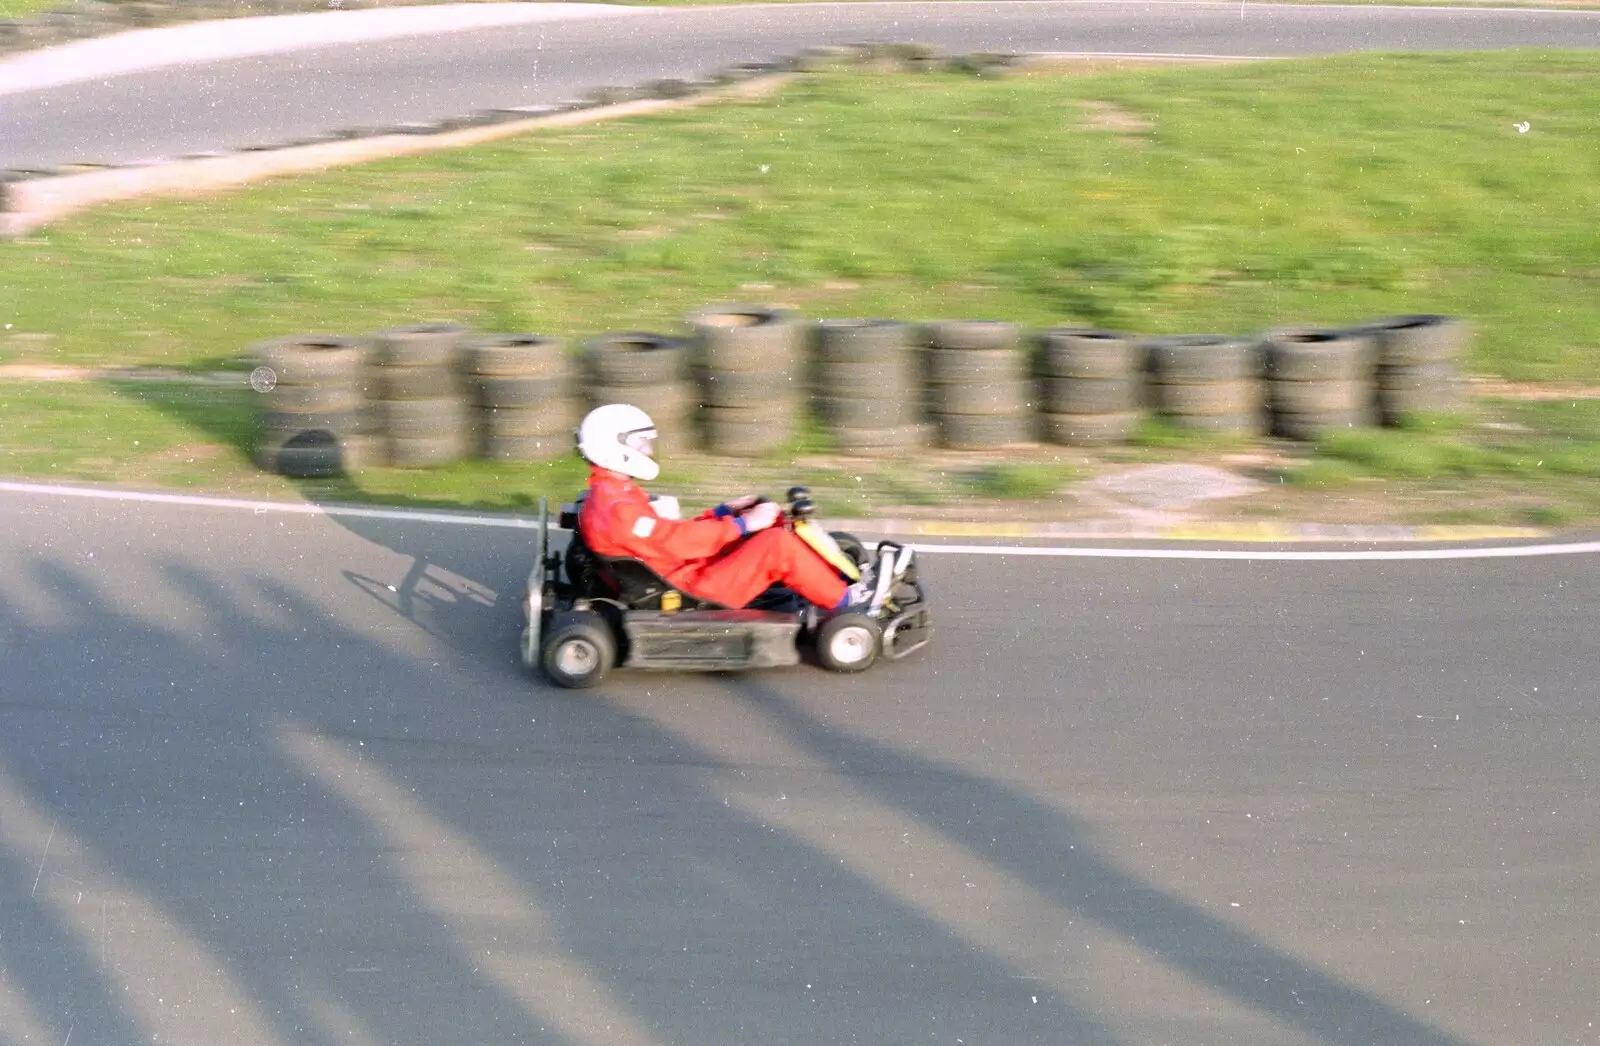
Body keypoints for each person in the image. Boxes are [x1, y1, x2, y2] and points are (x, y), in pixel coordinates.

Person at [574, 403, 877, 612]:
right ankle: (846, 601)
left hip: (677, 569)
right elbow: (675, 541)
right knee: (776, 545)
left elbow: (667, 534)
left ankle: (828, 576)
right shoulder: (618, 510)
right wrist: (742, 525)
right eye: (641, 444)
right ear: (615, 448)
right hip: (687, 586)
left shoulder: (612, 493)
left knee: (767, 528)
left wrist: (723, 512)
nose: (649, 451)